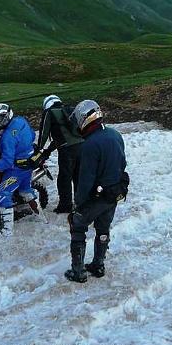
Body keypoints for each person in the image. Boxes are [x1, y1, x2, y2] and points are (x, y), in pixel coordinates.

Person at [65, 100, 128, 283]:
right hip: (114, 192)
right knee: (103, 228)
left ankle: (78, 271)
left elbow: (86, 179)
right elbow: (122, 164)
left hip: (96, 196)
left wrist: (78, 203)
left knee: (77, 226)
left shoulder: (90, 145)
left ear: (84, 119)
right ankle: (99, 264)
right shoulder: (115, 135)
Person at [0, 103, 38, 238]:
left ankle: (6, 231)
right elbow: (31, 135)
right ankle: (40, 217)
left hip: (16, 170)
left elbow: (6, 162)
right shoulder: (20, 120)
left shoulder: (7, 136)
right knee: (26, 191)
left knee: (2, 194)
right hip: (29, 164)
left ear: (4, 117)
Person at [35, 95, 83, 214]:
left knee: (64, 178)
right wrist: (49, 150)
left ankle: (65, 206)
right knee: (78, 176)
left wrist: (39, 148)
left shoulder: (49, 112)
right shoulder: (69, 110)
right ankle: (81, 203)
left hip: (67, 151)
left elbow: (44, 132)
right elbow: (62, 136)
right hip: (82, 146)